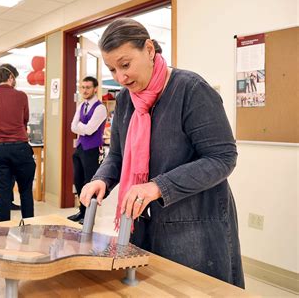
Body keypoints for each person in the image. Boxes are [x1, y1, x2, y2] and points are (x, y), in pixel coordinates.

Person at [80, 18, 244, 288]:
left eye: (125, 64)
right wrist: (102, 179)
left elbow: (222, 158)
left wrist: (158, 186)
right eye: (112, 69)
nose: (121, 78)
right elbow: (117, 155)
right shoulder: (125, 100)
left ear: (148, 49)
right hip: (141, 225)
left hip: (194, 228)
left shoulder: (190, 89)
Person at [0, 64, 35, 222]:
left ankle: (3, 232)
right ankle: (29, 228)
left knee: (3, 193)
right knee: (25, 191)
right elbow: (25, 120)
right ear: (11, 77)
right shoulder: (21, 96)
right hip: (20, 148)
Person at [67, 76, 107, 224]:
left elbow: (90, 130)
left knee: (89, 183)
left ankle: (89, 217)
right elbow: (72, 126)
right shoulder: (81, 106)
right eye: (82, 87)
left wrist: (80, 127)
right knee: (78, 181)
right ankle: (82, 211)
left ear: (95, 88)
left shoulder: (100, 108)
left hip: (92, 149)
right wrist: (82, 128)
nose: (84, 90)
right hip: (80, 148)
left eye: (88, 87)